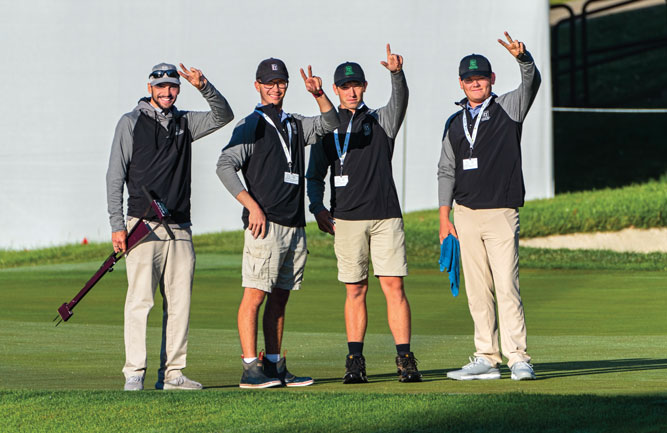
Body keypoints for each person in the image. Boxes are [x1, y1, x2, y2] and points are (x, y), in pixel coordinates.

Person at [107, 62, 234, 391]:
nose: (167, 92)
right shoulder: (130, 122)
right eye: (161, 87)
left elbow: (223, 115)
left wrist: (204, 85)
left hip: (179, 227)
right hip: (141, 225)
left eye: (172, 87)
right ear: (150, 87)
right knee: (140, 301)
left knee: (179, 303)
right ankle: (134, 373)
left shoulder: (185, 122)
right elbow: (115, 176)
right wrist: (117, 225)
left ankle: (173, 374)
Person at [216, 58, 338, 389]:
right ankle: (249, 368)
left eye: (280, 82)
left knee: (280, 297)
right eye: (268, 83)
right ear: (257, 85)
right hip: (264, 225)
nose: (275, 88)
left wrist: (319, 93)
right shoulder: (250, 125)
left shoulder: (295, 123)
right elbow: (225, 165)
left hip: (294, 225)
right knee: (254, 295)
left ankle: (273, 364)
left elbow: (331, 121)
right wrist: (251, 206)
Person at [306, 45, 422, 384]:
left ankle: (405, 358)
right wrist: (317, 208)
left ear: (365, 86)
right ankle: (355, 360)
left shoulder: (381, 120)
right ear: (336, 89)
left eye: (356, 84)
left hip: (386, 215)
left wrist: (396, 75)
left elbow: (400, 100)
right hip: (346, 219)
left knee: (393, 286)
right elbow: (314, 176)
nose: (352, 91)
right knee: (354, 290)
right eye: (345, 86)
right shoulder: (327, 125)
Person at [438, 32, 541, 381]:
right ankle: (486, 355)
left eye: (480, 77)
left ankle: (518, 358)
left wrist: (523, 59)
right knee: (477, 289)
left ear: (491, 79)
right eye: (469, 79)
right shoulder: (454, 123)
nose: (475, 83)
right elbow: (446, 171)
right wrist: (444, 218)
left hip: (500, 211)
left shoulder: (508, 108)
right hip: (465, 215)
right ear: (461, 83)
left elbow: (532, 83)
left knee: (506, 286)